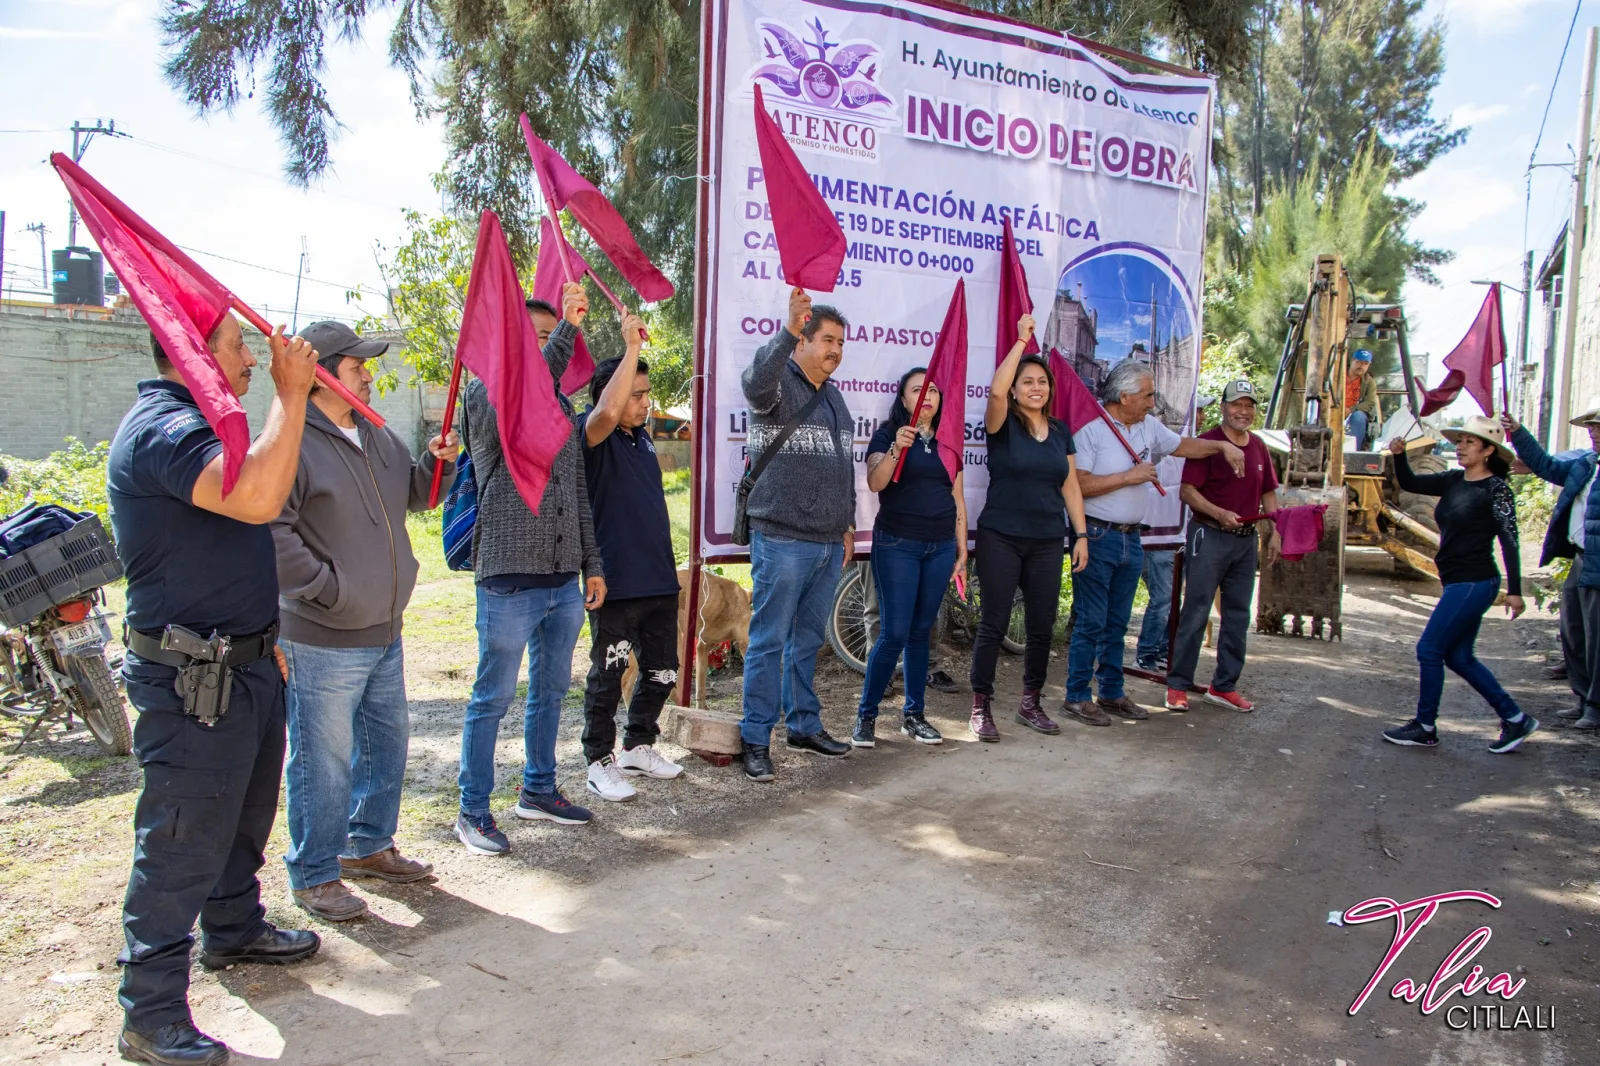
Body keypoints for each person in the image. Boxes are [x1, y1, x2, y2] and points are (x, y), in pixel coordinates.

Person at [110, 318, 322, 1066]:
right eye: (235, 344)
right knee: (181, 840)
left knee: (242, 818)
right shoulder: (164, 430)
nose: (250, 357)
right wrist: (290, 394)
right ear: (192, 354)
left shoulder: (204, 424)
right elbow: (260, 497)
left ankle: (233, 928)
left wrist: (264, 644)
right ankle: (151, 1009)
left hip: (246, 665)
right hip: (194, 678)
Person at [271, 320, 458, 922]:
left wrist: (439, 466)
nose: (369, 375)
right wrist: (329, 591)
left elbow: (416, 498)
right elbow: (269, 531)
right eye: (357, 366)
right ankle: (314, 873)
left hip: (385, 630)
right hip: (323, 636)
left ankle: (369, 845)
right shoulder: (292, 440)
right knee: (323, 759)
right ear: (323, 373)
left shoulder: (377, 434)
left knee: (387, 745)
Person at [455, 283, 607, 854]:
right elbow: (525, 392)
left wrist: (590, 562)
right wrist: (566, 333)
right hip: (507, 578)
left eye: (552, 338)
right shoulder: (485, 396)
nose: (547, 349)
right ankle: (473, 811)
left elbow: (577, 492)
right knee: (491, 698)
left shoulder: (562, 410)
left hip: (560, 581)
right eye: (535, 339)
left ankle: (538, 789)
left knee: (550, 691)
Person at [1063, 361, 1244, 726]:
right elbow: (1078, 485)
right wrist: (1129, 476)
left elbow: (1184, 446)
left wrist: (1222, 447)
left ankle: (1111, 691)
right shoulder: (1092, 432)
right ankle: (1077, 695)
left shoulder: (1149, 427)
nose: (1152, 402)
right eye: (1146, 395)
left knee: (1117, 622)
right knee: (1091, 620)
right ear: (1125, 396)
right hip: (1098, 535)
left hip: (1132, 536)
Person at [738, 286, 858, 782]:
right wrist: (786, 329)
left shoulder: (835, 398)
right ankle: (754, 739)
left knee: (806, 642)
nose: (835, 350)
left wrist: (846, 525)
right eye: (827, 339)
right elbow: (754, 382)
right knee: (768, 642)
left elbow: (842, 469)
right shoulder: (778, 385)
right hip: (783, 537)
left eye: (840, 343)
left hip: (829, 542)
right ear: (803, 342)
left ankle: (803, 725)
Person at [576, 312, 686, 801]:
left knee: (664, 668)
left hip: (657, 578)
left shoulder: (641, 437)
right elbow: (603, 415)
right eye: (635, 396)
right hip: (615, 580)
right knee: (608, 673)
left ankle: (639, 744)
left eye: (645, 395)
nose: (644, 404)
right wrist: (630, 348)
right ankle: (599, 760)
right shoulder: (592, 434)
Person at [1381, 416, 1534, 751]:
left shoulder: (1497, 490)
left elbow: (1510, 541)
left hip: (1475, 581)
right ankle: (1515, 719)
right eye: (1460, 441)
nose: (1460, 447)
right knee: (1460, 657)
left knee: (1430, 649)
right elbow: (1409, 482)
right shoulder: (1453, 480)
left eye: (1469, 442)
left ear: (1488, 450)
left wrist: (1517, 592)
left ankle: (1425, 725)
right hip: (1457, 581)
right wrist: (1398, 454)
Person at [969, 315, 1089, 740]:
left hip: (1046, 541)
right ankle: (981, 707)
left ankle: (1030, 703)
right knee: (994, 624)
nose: (1036, 388)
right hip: (1001, 535)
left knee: (1041, 625)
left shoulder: (1060, 432)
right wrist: (1022, 341)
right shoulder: (1001, 425)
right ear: (1017, 391)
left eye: (1042, 382)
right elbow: (996, 389)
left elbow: (1070, 485)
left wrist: (1081, 535)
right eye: (1028, 382)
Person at [852, 365, 966, 748]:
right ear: (904, 399)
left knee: (922, 633)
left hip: (940, 547)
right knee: (895, 633)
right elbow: (874, 482)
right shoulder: (888, 435)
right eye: (918, 390)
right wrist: (897, 448)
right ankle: (866, 717)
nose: (927, 396)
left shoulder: (950, 441)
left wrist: (962, 546)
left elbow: (957, 497)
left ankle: (914, 716)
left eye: (933, 390)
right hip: (897, 544)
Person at [1164, 380, 1281, 712]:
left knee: (1238, 615)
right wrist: (1219, 513)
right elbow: (1187, 491)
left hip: (1246, 542)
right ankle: (1177, 685)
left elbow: (1268, 492)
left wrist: (1276, 530)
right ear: (1224, 407)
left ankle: (1224, 685)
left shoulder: (1258, 446)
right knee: (1197, 610)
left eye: (1249, 405)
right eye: (1236, 405)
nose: (1243, 411)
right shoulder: (1208, 444)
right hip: (1210, 536)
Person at [1502, 406, 1600, 730]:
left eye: (1599, 428)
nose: (1594, 433)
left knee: (1596, 637)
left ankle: (1596, 708)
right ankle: (1583, 698)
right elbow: (1545, 466)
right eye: (1591, 429)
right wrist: (1517, 432)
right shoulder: (1586, 465)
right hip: (1582, 558)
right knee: (1574, 632)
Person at [1345, 349, 1381, 450]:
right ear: (1352, 360)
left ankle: (1353, 451)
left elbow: (1369, 403)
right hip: (1335, 409)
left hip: (1353, 412)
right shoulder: (1337, 375)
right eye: (1358, 362)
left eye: (1365, 364)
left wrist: (1350, 410)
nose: (1361, 366)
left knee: (1359, 417)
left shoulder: (1369, 382)